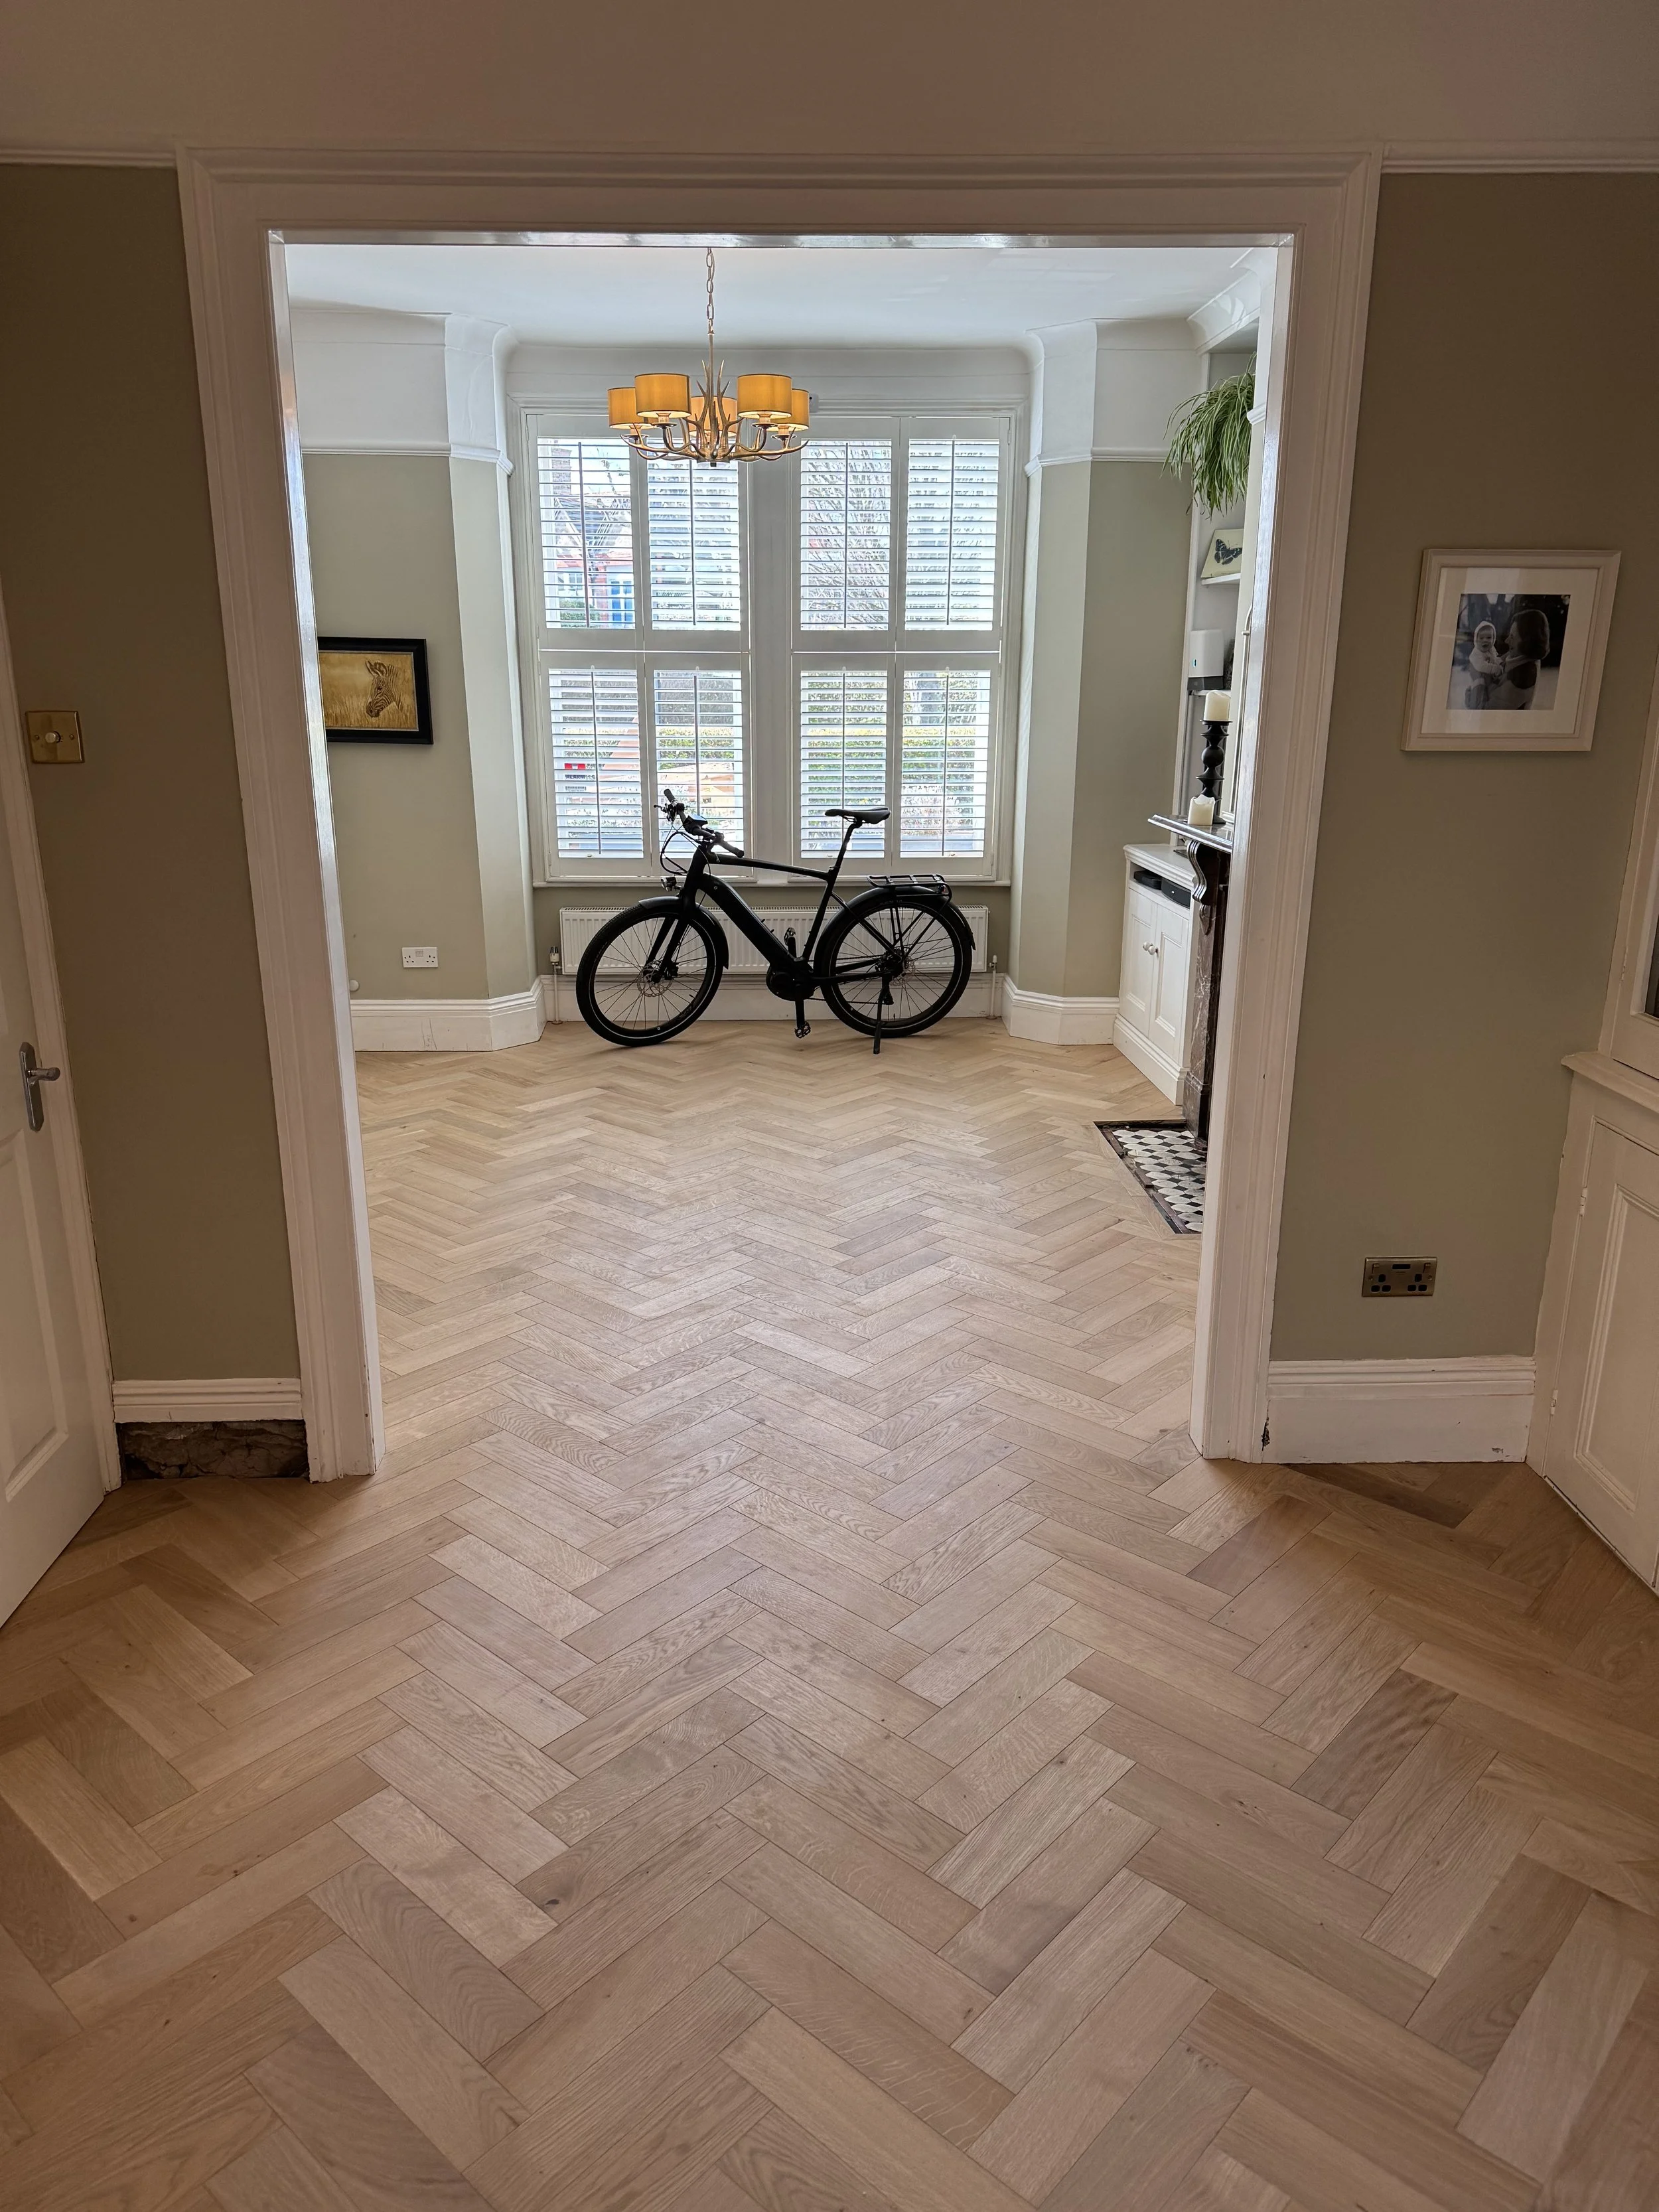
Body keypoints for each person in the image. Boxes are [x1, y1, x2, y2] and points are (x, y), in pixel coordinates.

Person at [1489, 606, 1551, 710]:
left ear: (1528, 641)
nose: (1507, 641)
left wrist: (1478, 684)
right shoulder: (1515, 657)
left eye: (1513, 637)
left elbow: (1485, 709)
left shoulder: (1523, 676)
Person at [1461, 619, 1502, 707]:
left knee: (1490, 691)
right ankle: (1473, 705)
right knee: (1479, 691)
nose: (1485, 641)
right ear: (1476, 639)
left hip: (1488, 678)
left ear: (1494, 639)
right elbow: (1481, 666)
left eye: (1489, 638)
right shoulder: (1476, 653)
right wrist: (1494, 668)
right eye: (1482, 638)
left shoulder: (1492, 650)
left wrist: (1500, 662)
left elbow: (1495, 659)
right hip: (1478, 679)